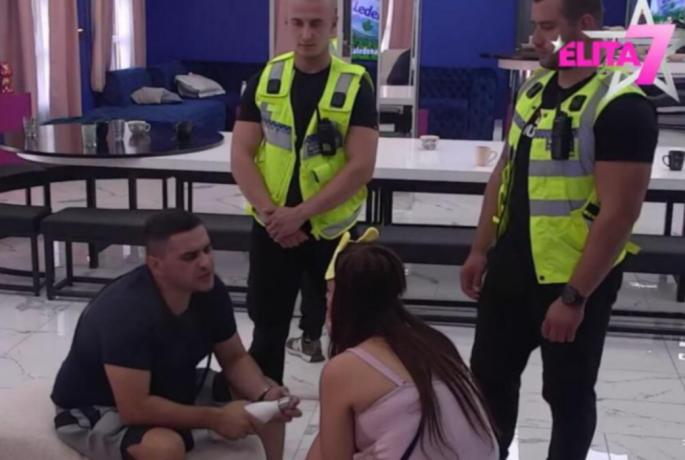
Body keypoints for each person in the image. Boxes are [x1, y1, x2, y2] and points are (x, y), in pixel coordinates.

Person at [461, 1, 658, 459]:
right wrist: (480, 248)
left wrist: (574, 297)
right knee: (488, 382)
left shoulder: (621, 104)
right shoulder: (534, 89)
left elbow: (619, 214)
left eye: (548, 27)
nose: (536, 39)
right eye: (535, 26)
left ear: (586, 25)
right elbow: (504, 172)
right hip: (511, 268)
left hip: (573, 278)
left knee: (568, 395)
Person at [51, 210, 301, 460]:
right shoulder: (126, 313)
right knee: (165, 448)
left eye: (207, 250)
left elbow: (235, 358)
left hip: (170, 383)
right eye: (190, 256)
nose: (205, 263)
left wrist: (264, 394)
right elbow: (134, 408)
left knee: (270, 402)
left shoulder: (208, 290)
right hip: (100, 404)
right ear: (155, 265)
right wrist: (216, 419)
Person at [231, 0, 379, 382]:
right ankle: (265, 406)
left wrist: (299, 214)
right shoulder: (266, 79)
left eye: (316, 24)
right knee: (267, 328)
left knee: (347, 332)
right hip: (273, 229)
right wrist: (274, 216)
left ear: (334, 25)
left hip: (331, 232)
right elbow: (241, 156)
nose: (306, 34)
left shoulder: (354, 84)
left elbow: (361, 166)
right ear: (286, 23)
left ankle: (347, 407)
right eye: (297, 23)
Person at [306, 236, 498, 460]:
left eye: (330, 293)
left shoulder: (344, 369)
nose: (327, 301)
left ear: (343, 301)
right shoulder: (435, 341)